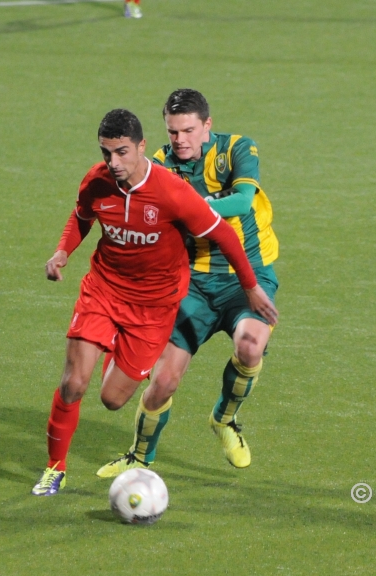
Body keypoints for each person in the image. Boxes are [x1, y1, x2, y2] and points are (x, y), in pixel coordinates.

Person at [32, 108, 277, 496]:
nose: (113, 162)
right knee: (74, 383)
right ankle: (54, 469)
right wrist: (62, 252)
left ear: (141, 147)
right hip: (105, 290)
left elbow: (227, 235)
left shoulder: (172, 191)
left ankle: (222, 418)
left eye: (122, 152)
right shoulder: (97, 181)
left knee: (112, 400)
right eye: (106, 152)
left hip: (153, 307)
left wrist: (251, 287)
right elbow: (81, 216)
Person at [97, 89, 280, 477]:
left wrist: (190, 205)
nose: (180, 139)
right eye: (172, 131)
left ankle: (224, 420)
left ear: (207, 126)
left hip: (244, 276)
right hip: (191, 283)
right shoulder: (159, 164)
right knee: (163, 379)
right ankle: (140, 457)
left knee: (251, 346)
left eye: (188, 130)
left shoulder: (236, 150)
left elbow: (243, 201)